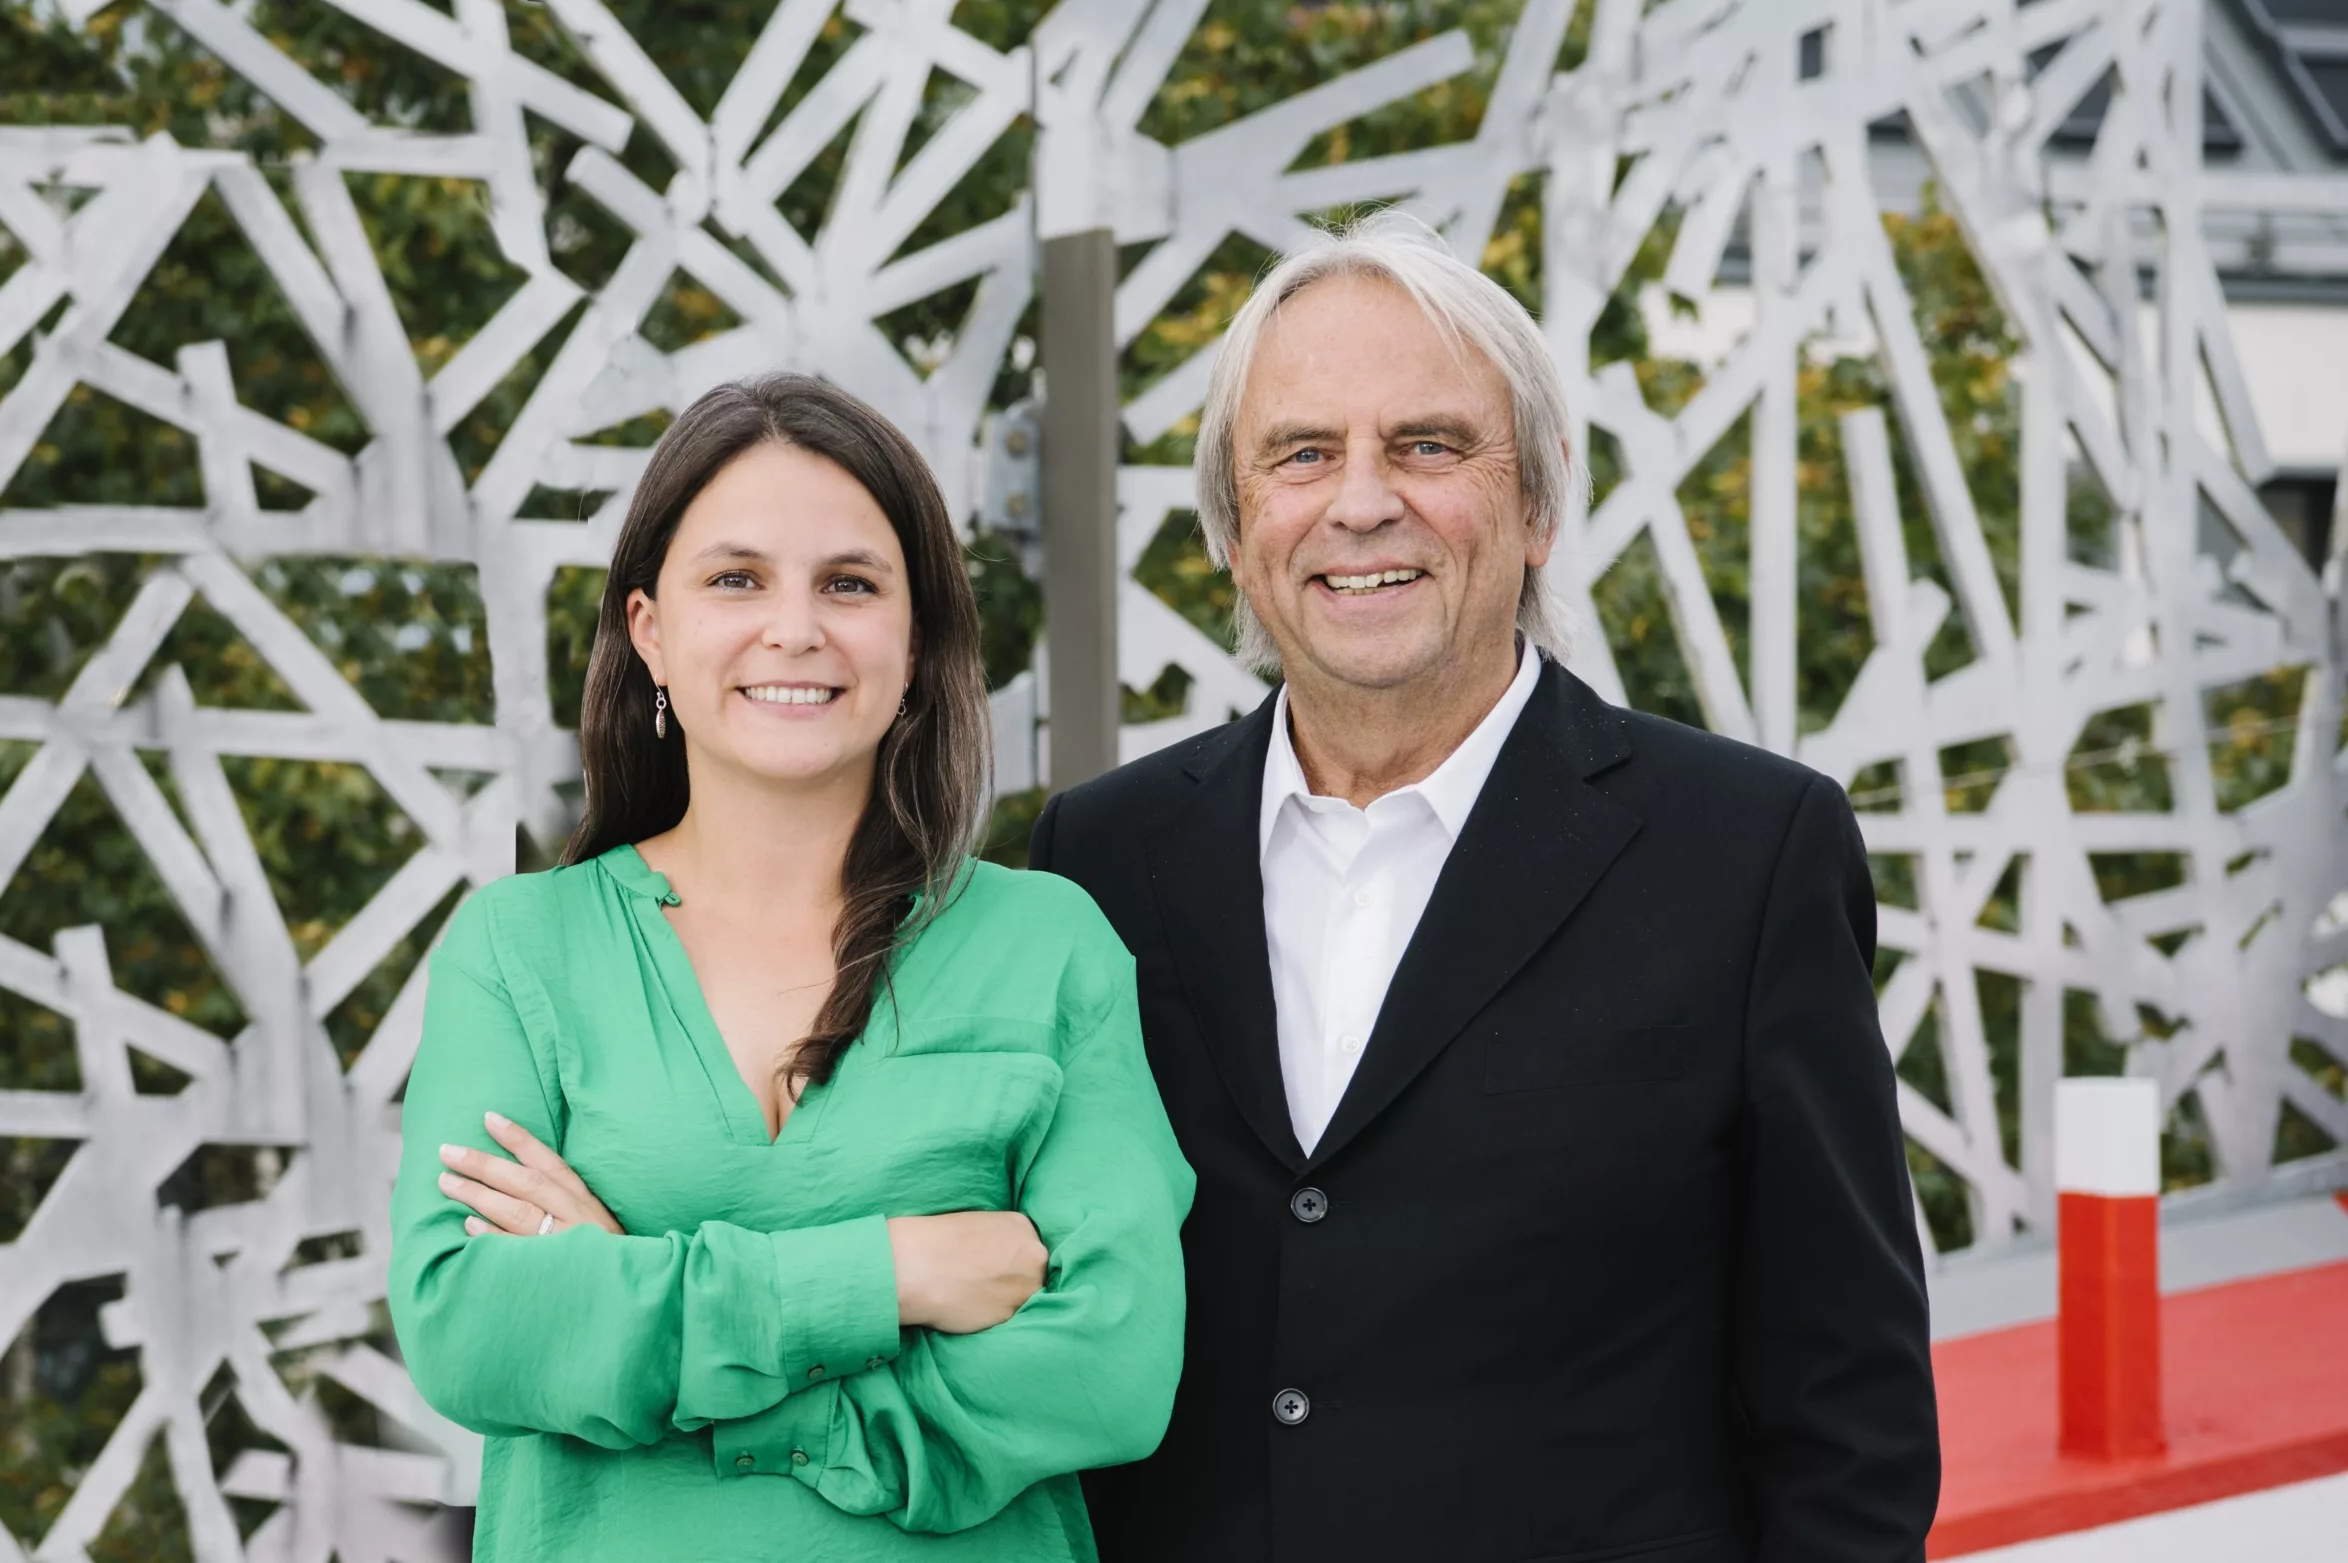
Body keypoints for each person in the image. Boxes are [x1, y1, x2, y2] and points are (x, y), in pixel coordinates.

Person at [1031, 214, 1940, 1562]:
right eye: (1302, 453)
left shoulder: (1748, 852)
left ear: (1538, 506)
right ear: (1234, 524)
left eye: (1427, 445)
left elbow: (1848, 1416)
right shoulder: (1098, 858)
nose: (1359, 503)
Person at [389, 373, 1195, 1562]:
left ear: (915, 642)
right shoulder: (521, 951)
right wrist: (888, 1274)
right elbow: (469, 1329)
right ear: (649, 630)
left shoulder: (1046, 946)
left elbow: (1111, 1369)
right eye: (736, 579)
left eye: (849, 584)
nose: (795, 629)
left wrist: (645, 1313)